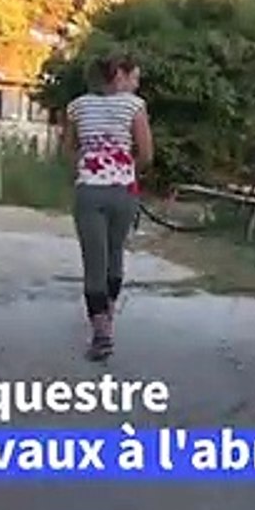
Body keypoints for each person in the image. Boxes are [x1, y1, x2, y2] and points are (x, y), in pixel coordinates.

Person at [63, 53, 154, 361]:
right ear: (119, 75)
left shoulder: (76, 106)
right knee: (115, 254)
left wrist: (89, 167)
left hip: (89, 190)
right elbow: (146, 154)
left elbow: (69, 151)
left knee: (93, 261)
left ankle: (101, 332)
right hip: (123, 192)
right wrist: (127, 171)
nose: (136, 84)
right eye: (135, 78)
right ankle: (108, 315)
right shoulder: (134, 106)